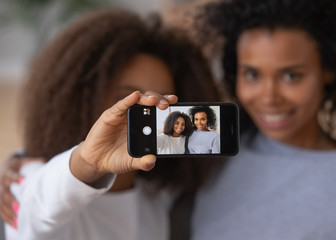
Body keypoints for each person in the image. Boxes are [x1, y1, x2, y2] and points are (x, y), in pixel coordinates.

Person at [2, 8, 220, 239]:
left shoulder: (157, 193)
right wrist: (85, 160)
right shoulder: (34, 185)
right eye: (127, 99)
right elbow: (38, 204)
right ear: (81, 100)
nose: (148, 112)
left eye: (163, 104)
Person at [190, 0, 336, 239]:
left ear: (328, 69)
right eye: (252, 74)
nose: (269, 97)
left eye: (291, 76)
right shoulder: (214, 151)